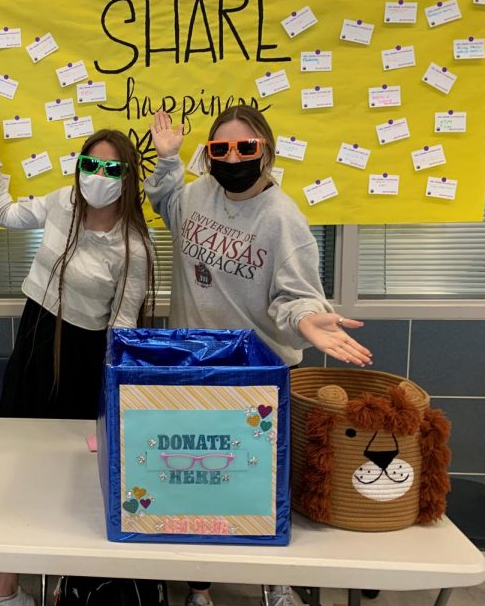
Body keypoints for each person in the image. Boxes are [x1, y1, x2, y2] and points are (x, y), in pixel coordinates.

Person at [145, 107, 373, 606]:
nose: (232, 158)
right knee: (196, 483)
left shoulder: (283, 218)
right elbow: (162, 201)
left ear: (266, 151)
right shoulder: (196, 194)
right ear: (207, 155)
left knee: (257, 482)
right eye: (219, 149)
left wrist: (308, 319)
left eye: (245, 148)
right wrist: (168, 160)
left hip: (259, 373)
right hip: (196, 366)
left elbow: (298, 295)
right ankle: (198, 589)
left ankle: (274, 583)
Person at [0, 109, 154, 606]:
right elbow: (5, 214)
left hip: (83, 357)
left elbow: (124, 324)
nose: (98, 177)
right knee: (18, 461)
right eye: (90, 165)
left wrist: (113, 397)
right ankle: (5, 591)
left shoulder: (134, 244)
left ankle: (67, 585)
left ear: (127, 177)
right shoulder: (61, 204)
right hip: (34, 341)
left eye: (111, 170)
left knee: (65, 475)